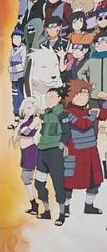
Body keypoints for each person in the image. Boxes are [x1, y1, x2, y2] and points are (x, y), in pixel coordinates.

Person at [62, 79, 105, 218]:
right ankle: (65, 207)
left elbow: (104, 114)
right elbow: (83, 124)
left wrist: (104, 101)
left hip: (91, 150)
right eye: (79, 94)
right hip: (74, 151)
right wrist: (94, 114)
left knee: (95, 180)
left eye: (86, 94)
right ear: (71, 96)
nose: (83, 97)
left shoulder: (88, 109)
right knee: (69, 182)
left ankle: (89, 206)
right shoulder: (68, 112)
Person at [35, 86, 69, 224]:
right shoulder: (46, 114)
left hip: (55, 152)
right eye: (47, 97)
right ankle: (47, 211)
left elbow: (67, 132)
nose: (49, 100)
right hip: (42, 152)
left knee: (58, 183)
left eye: (52, 97)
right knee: (39, 183)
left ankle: (61, 214)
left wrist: (61, 146)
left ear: (59, 99)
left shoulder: (62, 114)